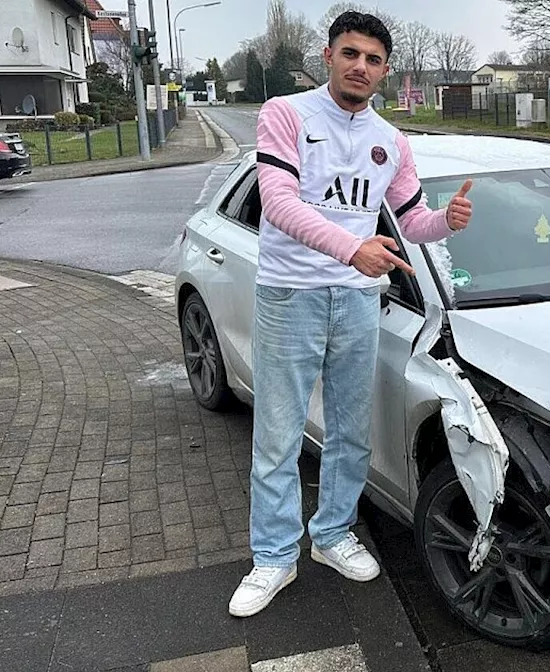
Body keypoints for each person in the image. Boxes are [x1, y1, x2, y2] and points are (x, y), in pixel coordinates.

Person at [228, 10, 473, 618]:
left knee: (350, 432)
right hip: (291, 295)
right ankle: (274, 558)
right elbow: (278, 204)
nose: (361, 66)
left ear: (385, 71)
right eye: (350, 54)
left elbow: (412, 220)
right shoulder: (285, 114)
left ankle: (333, 535)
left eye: (373, 59)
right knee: (279, 434)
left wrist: (446, 223)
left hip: (360, 299)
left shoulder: (391, 141)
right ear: (328, 56)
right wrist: (352, 247)